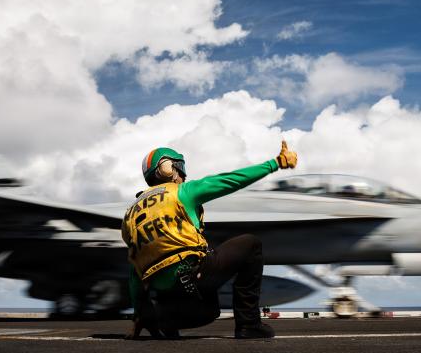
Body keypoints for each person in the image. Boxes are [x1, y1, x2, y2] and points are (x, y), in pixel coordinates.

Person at [122, 141, 297, 339]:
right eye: (181, 169)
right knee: (251, 244)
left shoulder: (130, 214)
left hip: (164, 290)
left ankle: (162, 318)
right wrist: (276, 163)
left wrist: (140, 312)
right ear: (169, 169)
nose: (183, 175)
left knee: (210, 311)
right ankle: (249, 324)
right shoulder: (181, 192)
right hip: (191, 276)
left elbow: (135, 271)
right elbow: (231, 180)